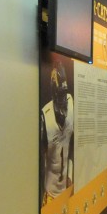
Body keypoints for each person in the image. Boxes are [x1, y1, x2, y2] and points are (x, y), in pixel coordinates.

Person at [40, 60, 74, 204]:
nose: (64, 102)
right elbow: (41, 160)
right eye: (60, 95)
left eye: (64, 94)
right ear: (54, 94)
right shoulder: (45, 117)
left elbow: (73, 145)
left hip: (68, 187)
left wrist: (71, 174)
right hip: (51, 192)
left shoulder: (71, 104)